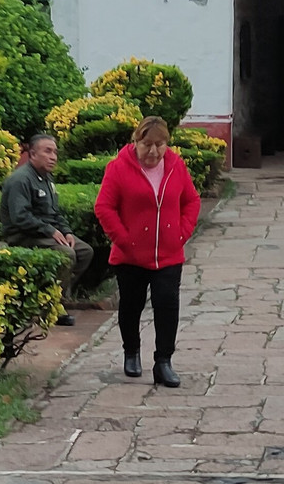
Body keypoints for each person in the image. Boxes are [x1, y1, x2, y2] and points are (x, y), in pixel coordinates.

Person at [94, 116, 200, 387]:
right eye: (147, 145)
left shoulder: (176, 166)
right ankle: (131, 351)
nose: (153, 151)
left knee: (167, 305)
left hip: (168, 253)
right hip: (130, 256)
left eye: (160, 144)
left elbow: (191, 200)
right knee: (131, 305)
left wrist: (181, 233)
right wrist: (123, 238)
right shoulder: (118, 168)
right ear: (136, 142)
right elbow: (104, 207)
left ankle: (163, 361)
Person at [0, 134, 93, 327]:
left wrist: (66, 231)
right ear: (32, 154)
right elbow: (20, 217)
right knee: (67, 254)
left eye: (55, 152)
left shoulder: (46, 178)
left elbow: (55, 213)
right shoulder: (21, 180)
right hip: (23, 235)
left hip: (44, 233)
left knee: (84, 251)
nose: (54, 157)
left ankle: (54, 295)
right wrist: (49, 231)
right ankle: (51, 308)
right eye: (47, 151)